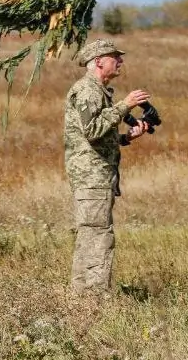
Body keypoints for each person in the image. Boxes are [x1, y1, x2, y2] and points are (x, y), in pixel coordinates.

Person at [63, 38, 152, 295]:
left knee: (90, 234)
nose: (121, 61)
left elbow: (94, 136)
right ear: (99, 61)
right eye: (115, 57)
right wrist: (125, 104)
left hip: (94, 176)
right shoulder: (89, 90)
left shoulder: (96, 90)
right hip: (92, 177)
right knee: (99, 235)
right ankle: (94, 297)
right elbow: (91, 130)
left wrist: (126, 138)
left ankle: (82, 296)